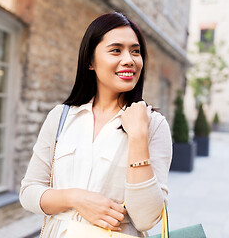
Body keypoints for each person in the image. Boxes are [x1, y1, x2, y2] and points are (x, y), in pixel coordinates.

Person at [19, 12, 172, 238]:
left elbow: (146, 218)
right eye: (116, 50)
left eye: (135, 51)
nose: (129, 59)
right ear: (90, 61)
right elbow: (29, 193)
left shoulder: (153, 125)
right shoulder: (61, 117)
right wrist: (76, 198)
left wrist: (138, 135)